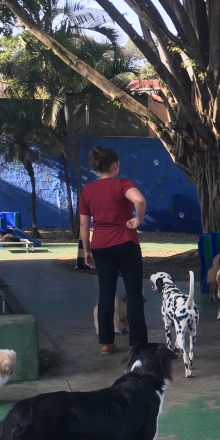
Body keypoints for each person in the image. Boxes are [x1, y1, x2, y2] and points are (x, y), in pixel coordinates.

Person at [78, 146, 148, 355]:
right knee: (134, 293)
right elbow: (140, 200)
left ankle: (106, 343)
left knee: (106, 293)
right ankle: (137, 342)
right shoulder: (122, 184)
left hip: (100, 245)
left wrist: (87, 251)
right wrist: (139, 219)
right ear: (115, 165)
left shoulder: (88, 190)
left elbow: (83, 225)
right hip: (126, 242)